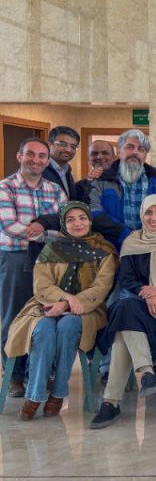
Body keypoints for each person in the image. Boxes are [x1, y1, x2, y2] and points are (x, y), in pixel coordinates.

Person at [6, 201, 116, 421]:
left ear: (90, 221)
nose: (77, 223)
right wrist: (64, 298)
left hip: (88, 308)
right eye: (70, 220)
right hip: (46, 304)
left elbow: (100, 288)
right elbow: (42, 285)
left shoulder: (105, 251)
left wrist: (68, 304)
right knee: (43, 330)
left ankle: (57, 393)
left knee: (69, 325)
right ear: (64, 224)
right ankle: (35, 395)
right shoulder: (52, 249)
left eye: (82, 218)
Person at [90, 195, 156, 429]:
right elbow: (126, 279)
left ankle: (111, 403)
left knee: (122, 324)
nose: (154, 218)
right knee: (126, 308)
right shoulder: (132, 242)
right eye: (149, 213)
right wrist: (147, 294)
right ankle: (145, 371)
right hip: (139, 302)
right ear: (141, 215)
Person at [0, 138, 67, 397]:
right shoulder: (5, 188)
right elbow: (9, 226)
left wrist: (42, 230)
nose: (36, 160)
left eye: (41, 156)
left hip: (49, 261)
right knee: (14, 317)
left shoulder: (55, 190)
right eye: (30, 154)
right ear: (19, 156)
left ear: (47, 161)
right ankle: (14, 376)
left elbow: (64, 223)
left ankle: (37, 373)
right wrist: (44, 232)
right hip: (15, 258)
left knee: (44, 316)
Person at [89, 129, 156, 248]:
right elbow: (94, 212)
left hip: (150, 246)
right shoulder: (101, 180)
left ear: (145, 155)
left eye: (141, 149)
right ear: (119, 151)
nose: (135, 152)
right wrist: (125, 234)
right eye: (130, 147)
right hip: (110, 247)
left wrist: (148, 235)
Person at [43, 126, 84, 200]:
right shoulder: (40, 169)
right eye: (63, 144)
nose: (68, 150)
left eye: (73, 147)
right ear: (49, 145)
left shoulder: (66, 170)